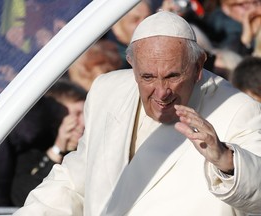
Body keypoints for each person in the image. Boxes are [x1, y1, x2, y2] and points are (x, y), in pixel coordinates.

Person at [13, 11, 261, 215]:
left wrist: (228, 162)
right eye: (147, 77)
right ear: (132, 66)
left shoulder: (237, 108)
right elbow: (74, 181)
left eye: (173, 76)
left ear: (197, 67)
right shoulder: (107, 91)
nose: (162, 92)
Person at [11, 79, 87, 206]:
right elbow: (23, 196)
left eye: (86, 112)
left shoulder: (91, 149)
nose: (84, 122)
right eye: (77, 114)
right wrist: (57, 149)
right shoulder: (32, 149)